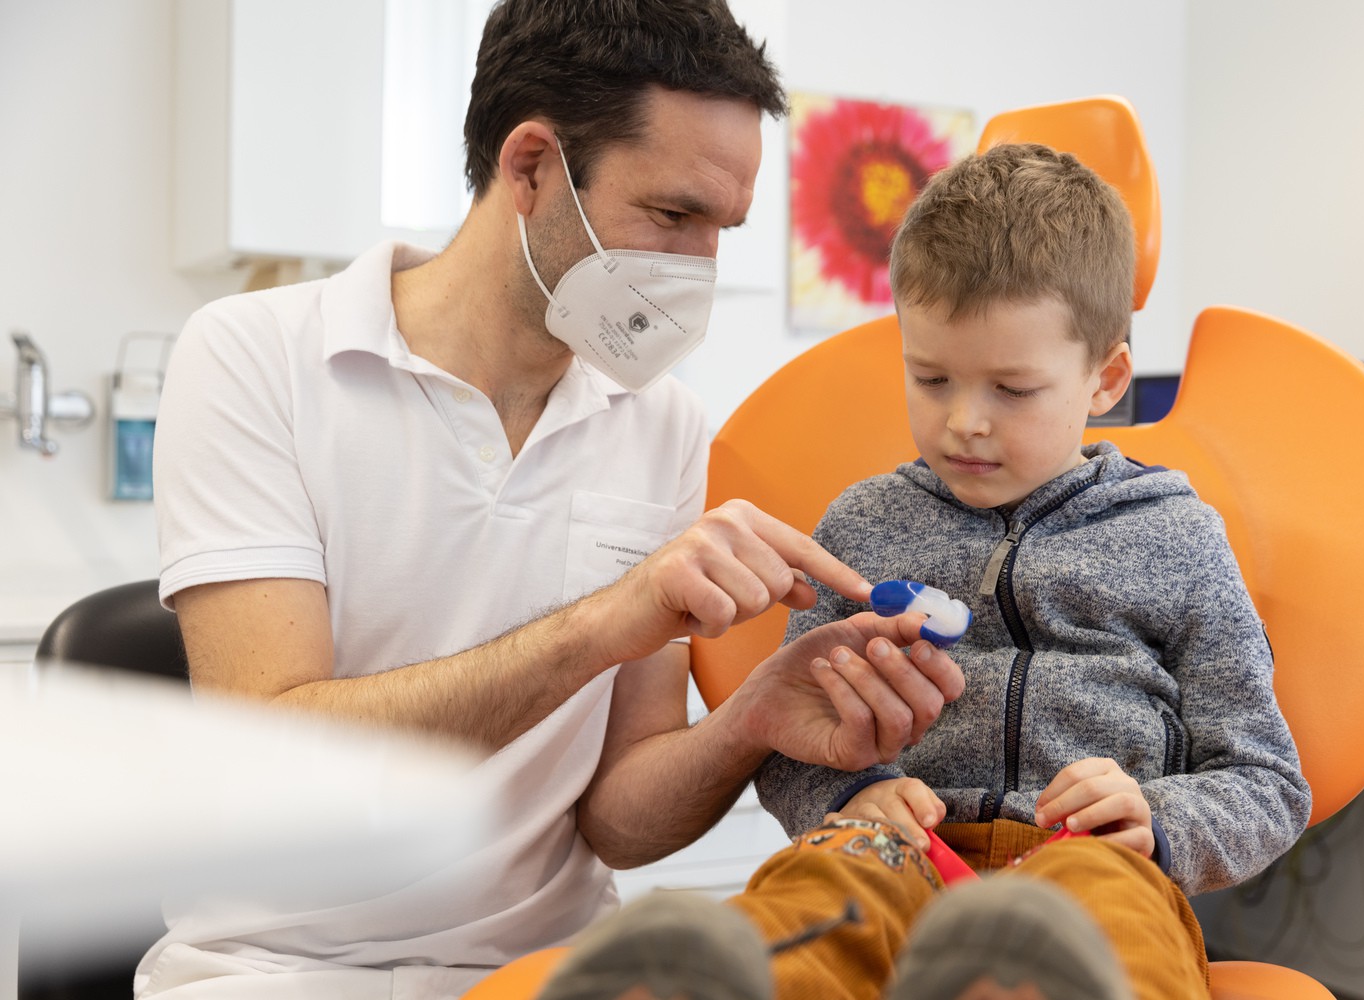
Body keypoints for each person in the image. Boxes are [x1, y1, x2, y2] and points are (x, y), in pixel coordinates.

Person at [138, 2, 964, 997]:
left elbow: (616, 817)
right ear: (530, 166)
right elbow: (279, 756)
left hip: (550, 970)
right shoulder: (255, 357)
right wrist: (605, 625)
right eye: (672, 216)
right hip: (278, 968)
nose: (699, 269)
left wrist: (750, 721)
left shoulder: (659, 426)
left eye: (722, 229)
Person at [536, 143, 1312, 1000]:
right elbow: (794, 740)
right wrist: (852, 800)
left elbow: (1265, 779)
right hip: (896, 846)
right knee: (820, 901)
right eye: (932, 377)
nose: (965, 423)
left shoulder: (1177, 536)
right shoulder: (862, 527)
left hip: (1096, 858)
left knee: (1104, 933)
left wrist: (1158, 820)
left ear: (1107, 379)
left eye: (1012, 390)